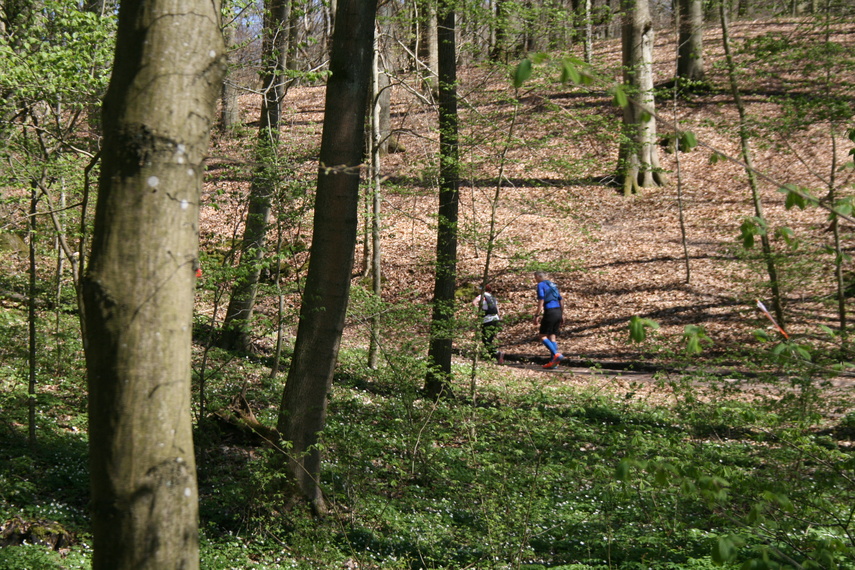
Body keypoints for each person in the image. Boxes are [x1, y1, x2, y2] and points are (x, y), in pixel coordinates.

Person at [532, 271, 563, 369]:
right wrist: (562, 314)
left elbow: (541, 299)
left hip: (550, 311)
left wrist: (537, 315)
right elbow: (560, 299)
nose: (535, 280)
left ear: (538, 276)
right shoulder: (553, 285)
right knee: (552, 336)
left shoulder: (541, 285)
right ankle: (553, 362)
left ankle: (555, 354)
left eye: (535, 278)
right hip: (558, 311)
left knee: (542, 336)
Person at [473, 284, 504, 364]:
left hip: (487, 320)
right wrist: (499, 318)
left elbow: (474, 303)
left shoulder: (481, 296)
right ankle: (494, 356)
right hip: (495, 319)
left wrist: (478, 311)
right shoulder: (492, 297)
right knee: (490, 338)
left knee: (486, 340)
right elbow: (497, 309)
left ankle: (496, 354)